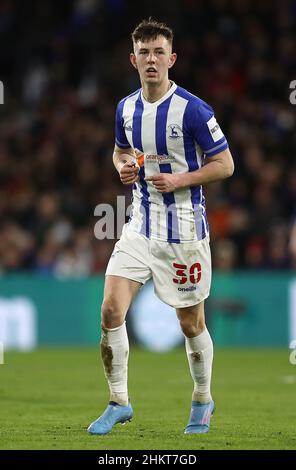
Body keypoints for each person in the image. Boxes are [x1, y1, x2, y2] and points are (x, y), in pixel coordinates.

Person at [87, 18, 234, 436]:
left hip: (184, 230)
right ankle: (118, 402)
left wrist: (179, 180)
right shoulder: (126, 108)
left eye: (158, 52)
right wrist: (123, 168)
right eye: (144, 53)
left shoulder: (193, 109)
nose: (151, 60)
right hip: (139, 225)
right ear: (133, 60)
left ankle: (203, 399)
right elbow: (119, 152)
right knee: (111, 310)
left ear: (172, 58)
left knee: (191, 324)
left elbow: (226, 164)